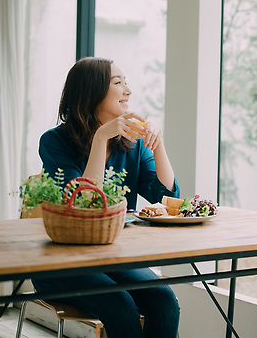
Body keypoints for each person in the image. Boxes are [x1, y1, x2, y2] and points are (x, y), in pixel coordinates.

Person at [32, 57, 180, 338]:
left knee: (163, 299)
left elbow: (164, 197)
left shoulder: (132, 146)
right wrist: (101, 138)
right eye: (118, 83)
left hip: (114, 259)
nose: (128, 91)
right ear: (92, 91)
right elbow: (83, 202)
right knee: (120, 304)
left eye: (126, 83)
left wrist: (158, 146)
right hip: (60, 264)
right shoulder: (54, 142)